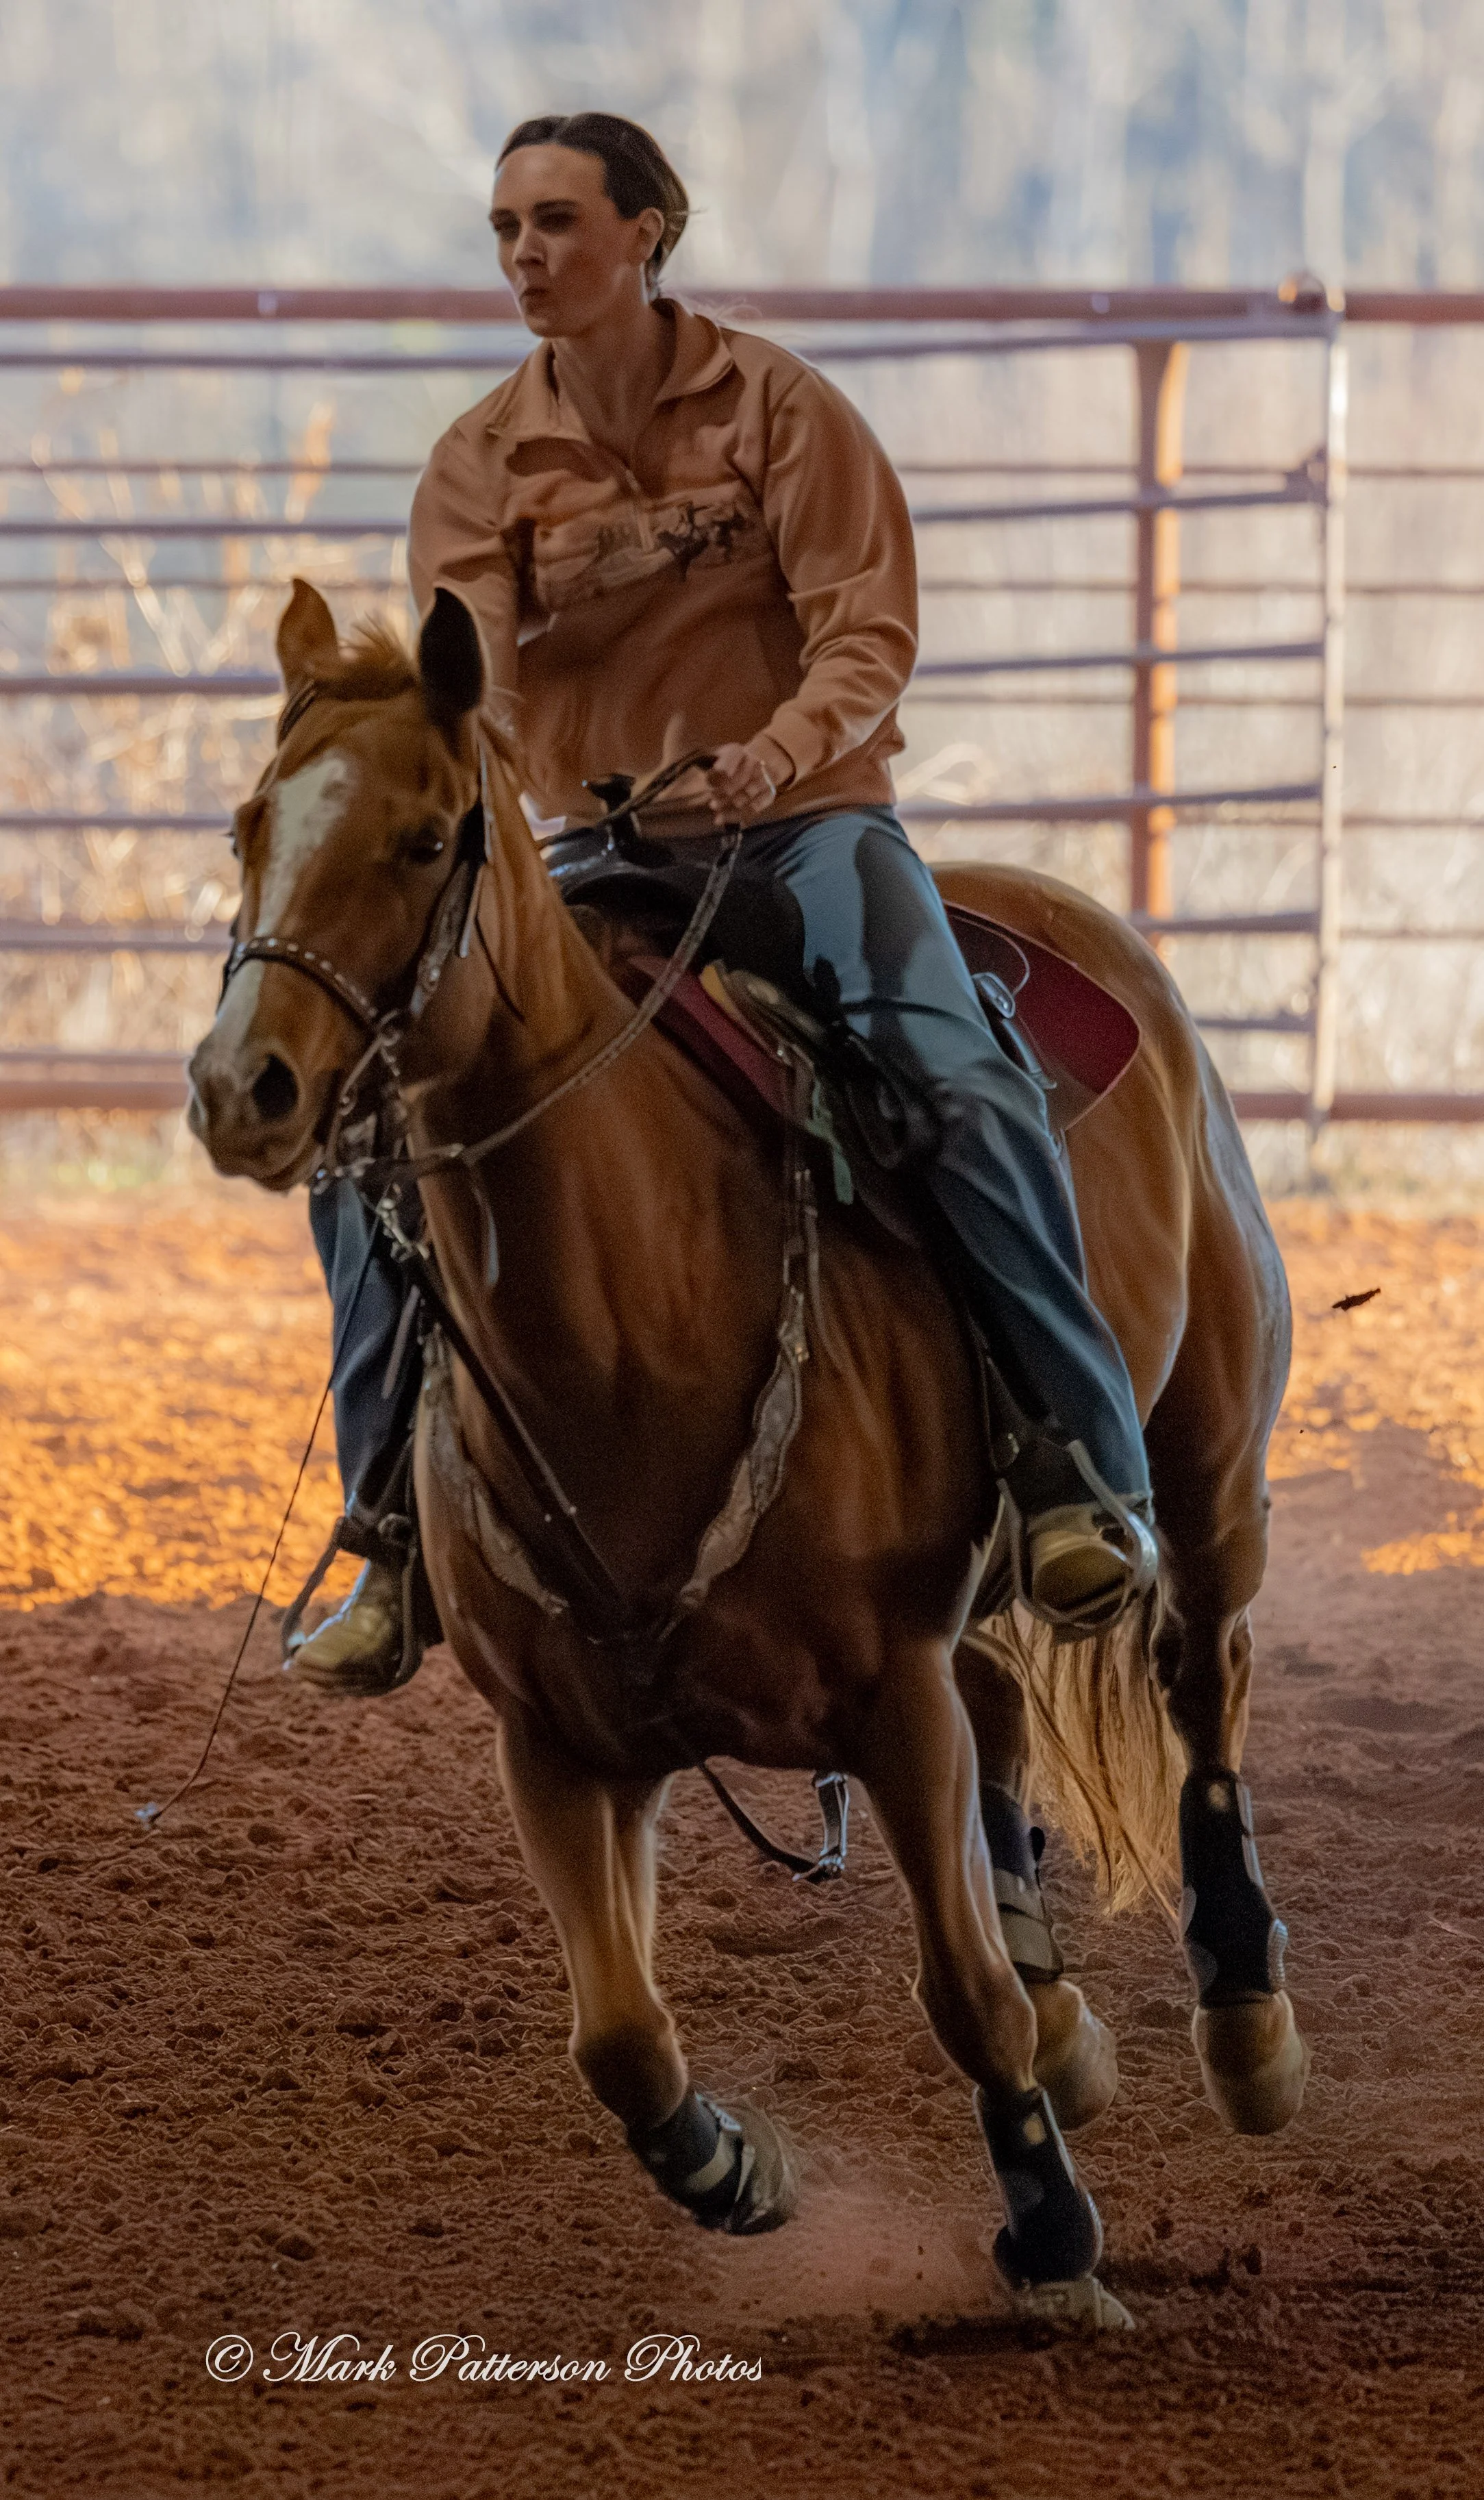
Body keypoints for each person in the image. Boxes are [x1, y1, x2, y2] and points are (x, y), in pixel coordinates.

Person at [292, 110, 1155, 1692]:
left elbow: (866, 635)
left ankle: (1082, 1473)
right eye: (504, 229)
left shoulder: (782, 411)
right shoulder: (478, 465)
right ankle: (392, 1536)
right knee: (375, 1135)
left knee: (953, 1075)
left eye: (557, 221)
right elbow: (460, 674)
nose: (525, 256)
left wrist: (768, 761)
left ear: (648, 233)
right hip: (595, 849)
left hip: (810, 830)